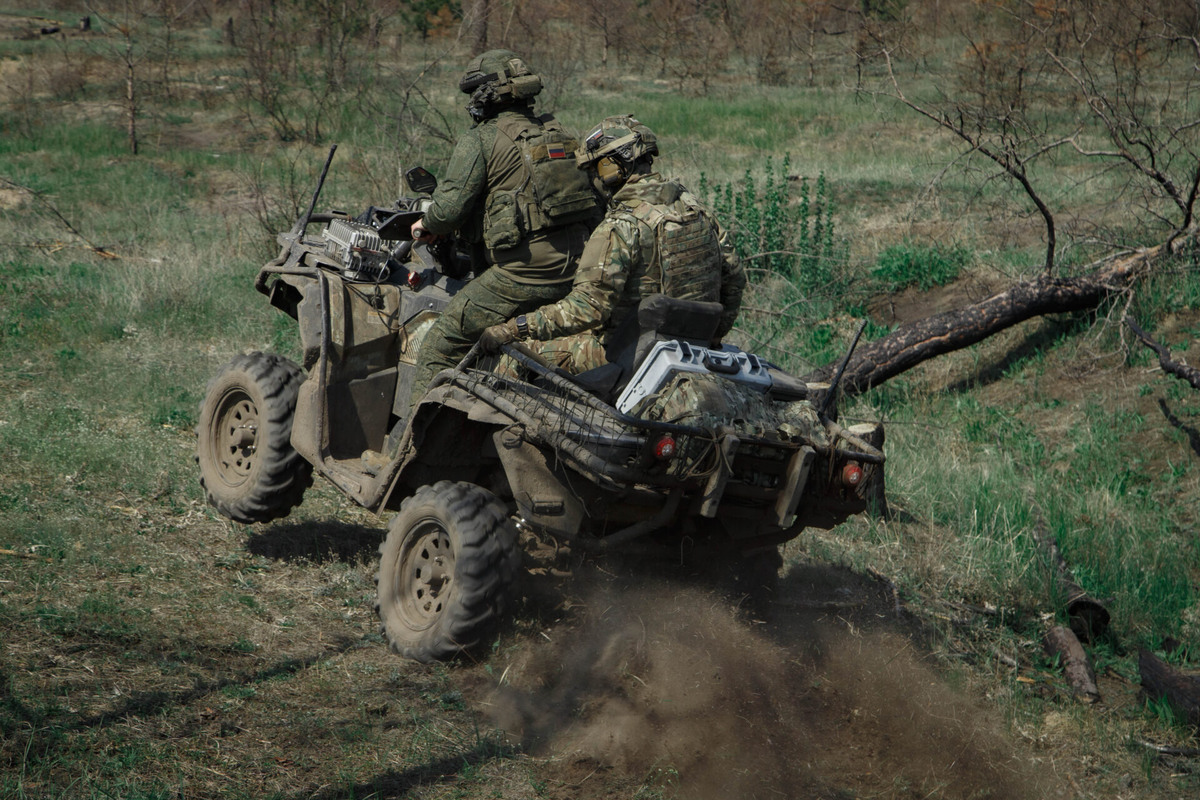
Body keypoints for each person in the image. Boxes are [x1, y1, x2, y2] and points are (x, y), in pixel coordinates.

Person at [405, 49, 602, 409]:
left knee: (439, 345)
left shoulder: (481, 138)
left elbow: (448, 211)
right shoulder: (558, 133)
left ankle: (413, 435)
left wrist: (426, 223)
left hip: (523, 275)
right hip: (576, 271)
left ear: (485, 96)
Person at [479, 115, 745, 374]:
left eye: (595, 168)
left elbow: (587, 309)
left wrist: (517, 327)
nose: (593, 178)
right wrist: (713, 336)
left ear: (612, 168)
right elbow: (735, 278)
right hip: (692, 347)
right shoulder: (696, 209)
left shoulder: (620, 226)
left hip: (629, 352)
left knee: (517, 354)